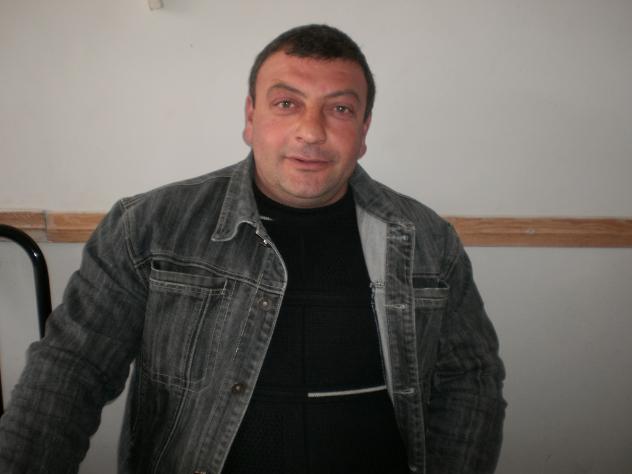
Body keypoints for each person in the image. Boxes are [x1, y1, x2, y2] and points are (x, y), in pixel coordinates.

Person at [0, 24, 505, 474]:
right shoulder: (148, 228)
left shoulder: (427, 240)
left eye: (340, 109)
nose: (311, 131)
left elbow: (471, 379)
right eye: (287, 103)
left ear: (364, 131)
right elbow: (70, 371)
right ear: (250, 117)